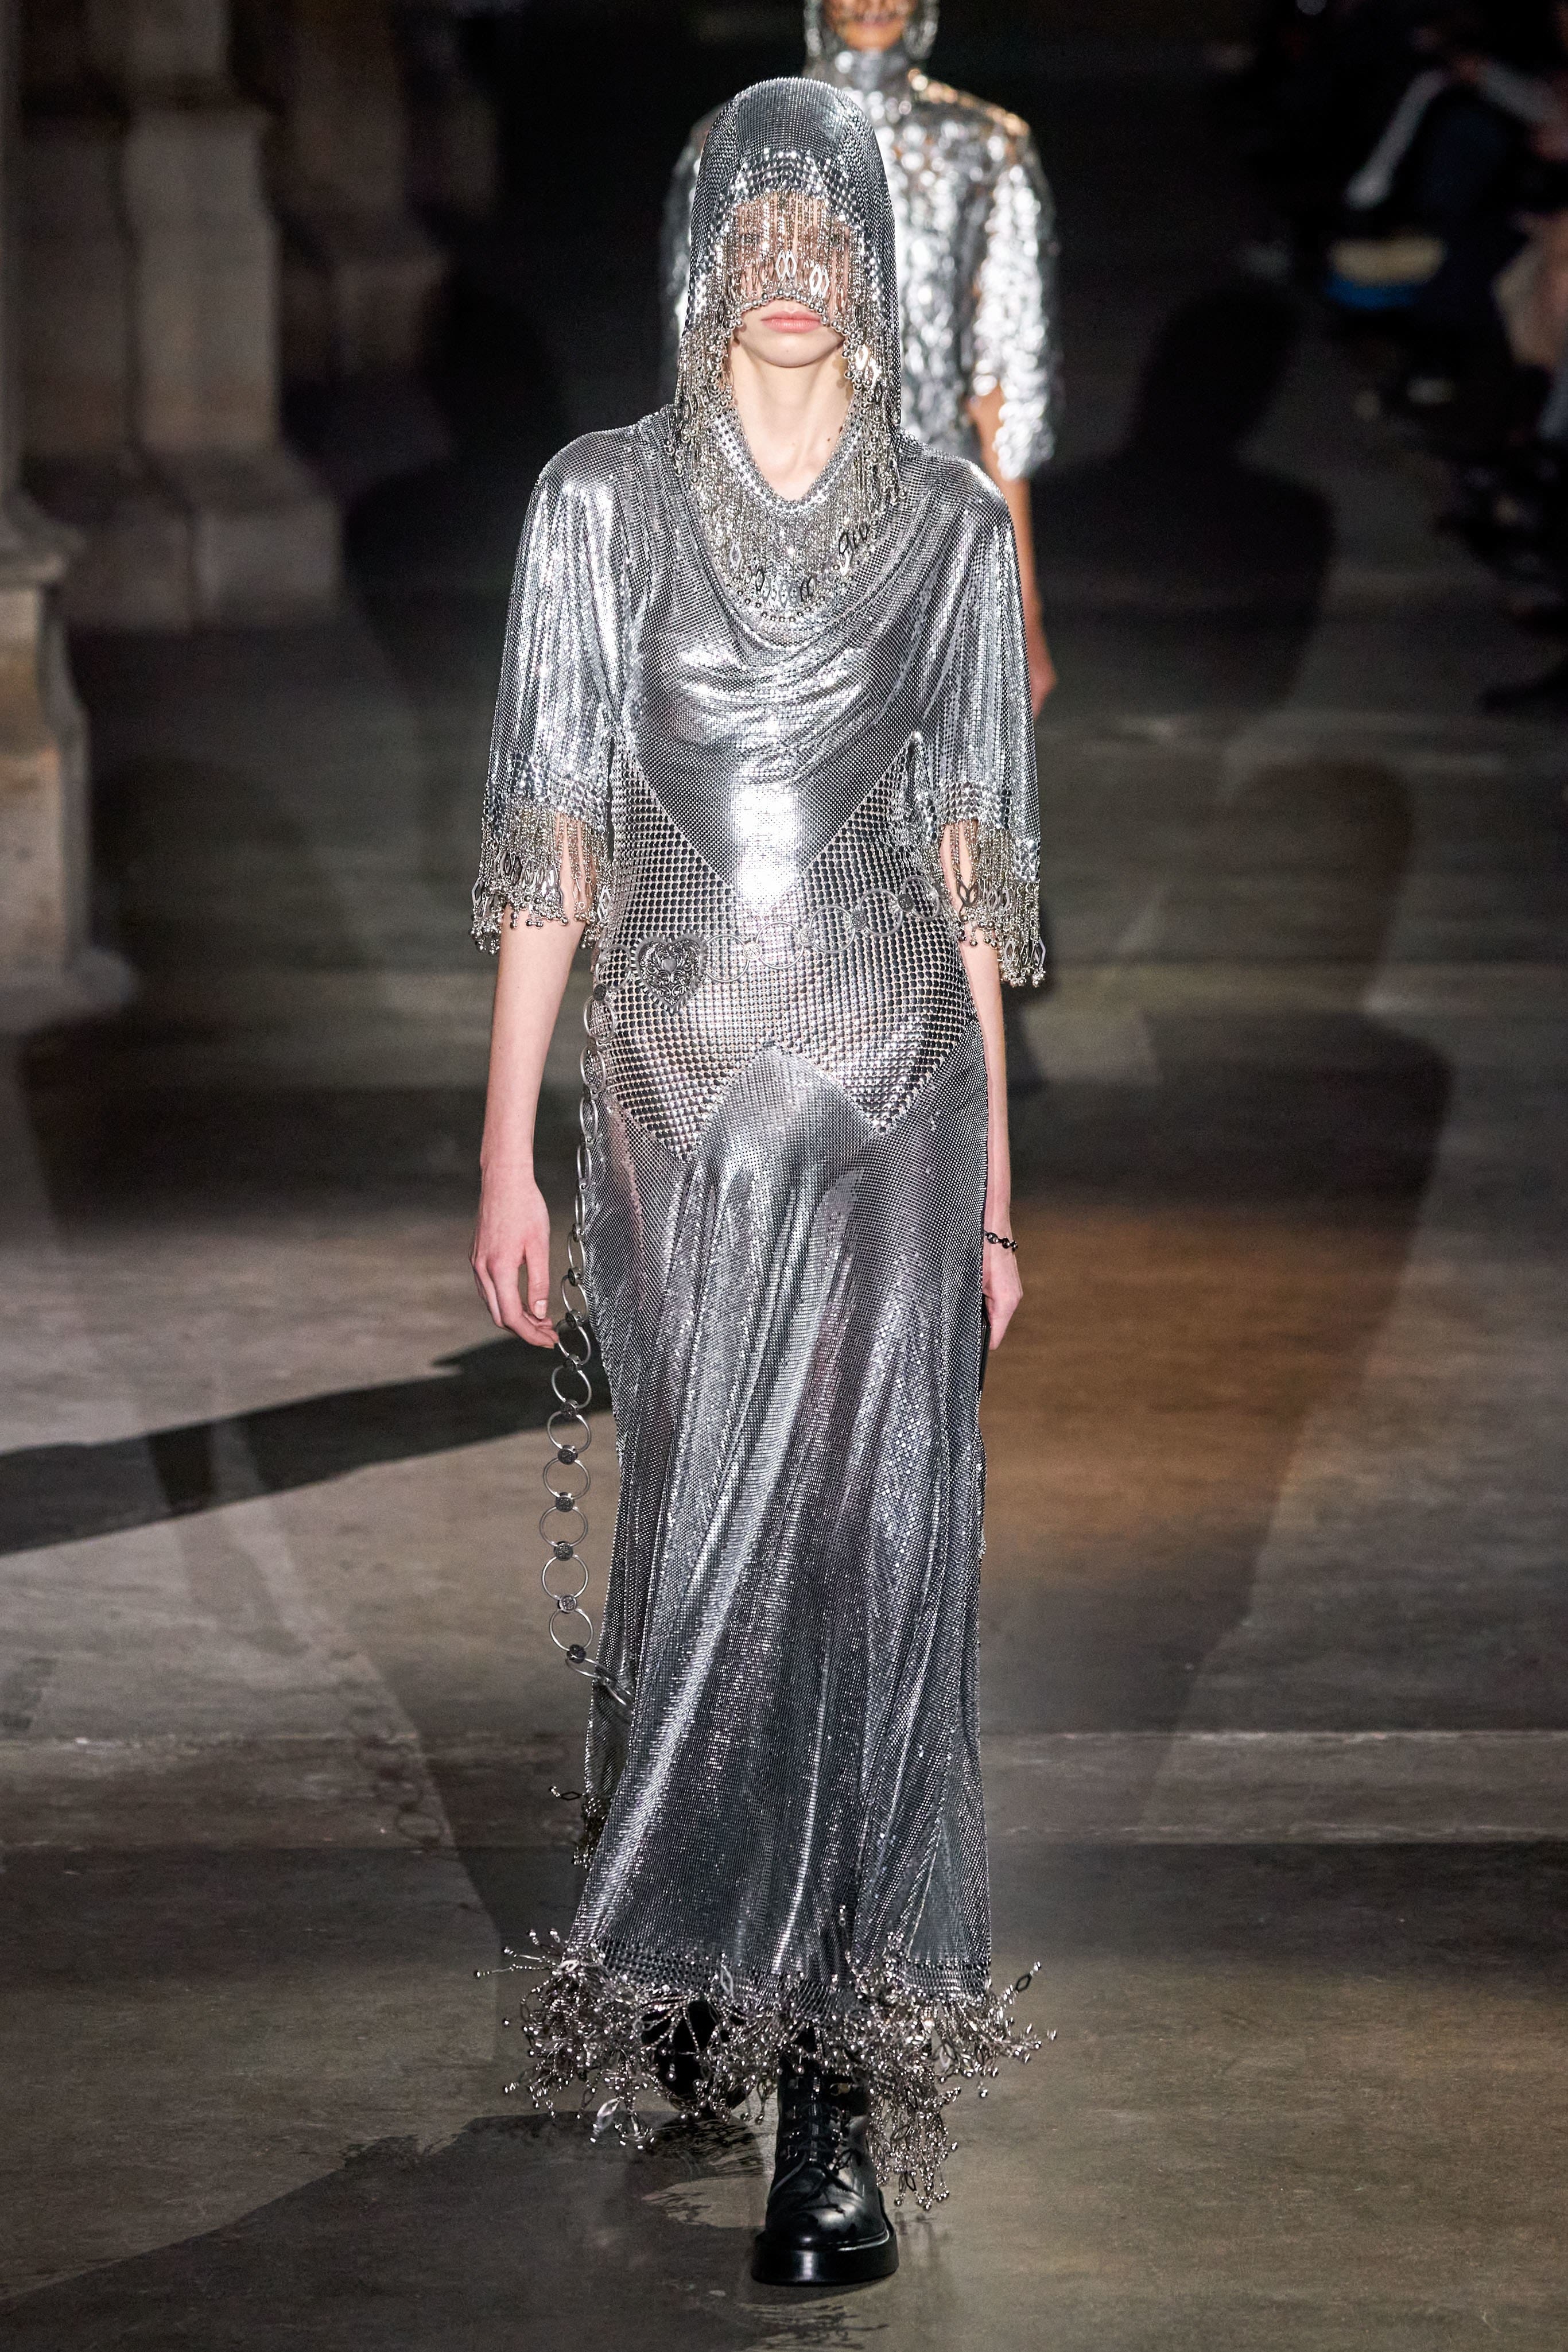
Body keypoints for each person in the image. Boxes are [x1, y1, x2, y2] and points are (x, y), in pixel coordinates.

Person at [470, 75, 1042, 2288]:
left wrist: (994, 1198)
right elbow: (551, 845)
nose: (791, 269)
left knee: (855, 1561)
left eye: (828, 232)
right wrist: (504, 1148)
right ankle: (716, 1911)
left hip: (895, 1102)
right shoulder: (595, 506)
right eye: (755, 229)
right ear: (698, 256)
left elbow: (974, 875)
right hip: (671, 1107)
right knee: (705, 1537)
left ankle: (829, 2089)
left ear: (875, 266)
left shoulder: (954, 529)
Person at [662, 0, 1061, 713]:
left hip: (930, 533)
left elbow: (1006, 378)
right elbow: (697, 366)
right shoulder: (736, 141)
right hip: (766, 535)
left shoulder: (984, 146)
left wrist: (1021, 604)